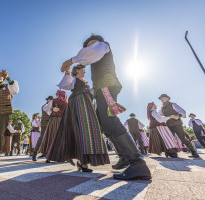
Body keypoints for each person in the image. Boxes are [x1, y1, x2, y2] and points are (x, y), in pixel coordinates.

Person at [60, 35, 151, 180]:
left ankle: (137, 163)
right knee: (103, 124)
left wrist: (71, 60)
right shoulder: (95, 53)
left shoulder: (102, 45)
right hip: (102, 89)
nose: (89, 45)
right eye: (87, 44)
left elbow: (91, 53)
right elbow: (88, 57)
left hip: (105, 87)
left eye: (91, 42)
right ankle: (124, 157)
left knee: (110, 122)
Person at [47, 65, 110, 172]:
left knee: (87, 133)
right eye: (82, 70)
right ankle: (83, 163)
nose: (85, 72)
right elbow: (65, 85)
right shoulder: (74, 79)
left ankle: (82, 162)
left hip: (87, 107)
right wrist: (67, 74)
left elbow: (91, 94)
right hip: (78, 106)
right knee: (79, 131)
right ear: (76, 71)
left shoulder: (84, 84)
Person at [38, 90, 68, 163]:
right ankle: (62, 156)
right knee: (61, 137)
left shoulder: (54, 100)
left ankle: (48, 157)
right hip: (62, 120)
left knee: (51, 136)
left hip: (53, 120)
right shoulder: (66, 102)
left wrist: (51, 110)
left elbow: (45, 108)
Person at [32, 96, 53, 161]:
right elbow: (48, 111)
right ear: (47, 100)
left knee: (51, 138)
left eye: (51, 100)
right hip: (44, 124)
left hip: (51, 123)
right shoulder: (44, 106)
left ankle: (49, 154)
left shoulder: (53, 106)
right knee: (41, 138)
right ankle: (34, 153)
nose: (50, 101)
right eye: (49, 100)